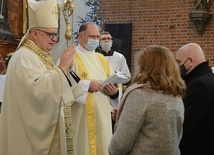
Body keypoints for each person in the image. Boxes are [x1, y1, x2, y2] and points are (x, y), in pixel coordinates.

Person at [0, 0, 83, 154]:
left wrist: (65, 70)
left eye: (55, 34)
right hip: (28, 137)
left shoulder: (42, 56)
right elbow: (37, 94)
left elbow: (52, 84)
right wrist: (61, 68)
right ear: (35, 33)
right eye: (49, 34)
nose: (53, 38)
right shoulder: (23, 57)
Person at [109, 45, 186, 155]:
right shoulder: (176, 94)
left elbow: (121, 143)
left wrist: (112, 150)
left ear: (145, 65)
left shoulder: (140, 94)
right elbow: (175, 133)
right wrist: (123, 116)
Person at [69, 22, 120, 155]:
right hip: (82, 117)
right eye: (92, 36)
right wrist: (87, 85)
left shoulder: (101, 59)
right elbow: (63, 82)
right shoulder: (70, 57)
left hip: (103, 116)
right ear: (81, 36)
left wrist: (114, 93)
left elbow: (115, 83)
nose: (96, 40)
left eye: (98, 37)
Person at [176, 43, 214, 155]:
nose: (177, 67)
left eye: (178, 62)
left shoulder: (199, 85)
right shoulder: (209, 79)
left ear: (190, 61)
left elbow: (185, 124)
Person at [98, 31, 131, 132]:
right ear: (99, 42)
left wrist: (116, 75)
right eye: (104, 39)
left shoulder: (119, 57)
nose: (106, 41)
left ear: (112, 41)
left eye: (109, 39)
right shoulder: (96, 57)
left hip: (116, 92)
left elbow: (127, 76)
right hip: (100, 92)